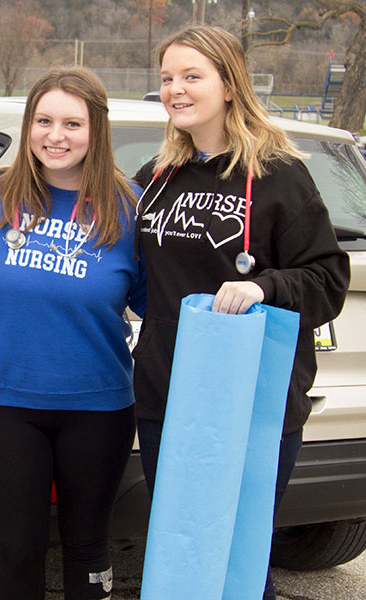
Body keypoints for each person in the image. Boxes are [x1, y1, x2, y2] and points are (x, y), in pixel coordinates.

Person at [131, 26, 350, 600]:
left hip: (247, 402)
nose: (175, 89)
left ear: (230, 85)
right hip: (166, 394)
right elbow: (92, 206)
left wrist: (264, 287)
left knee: (237, 557)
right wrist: (9, 178)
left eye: (192, 76)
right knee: (183, 552)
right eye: (167, 78)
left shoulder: (278, 174)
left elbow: (328, 280)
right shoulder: (159, 177)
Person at [0, 67, 146, 600]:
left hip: (99, 407)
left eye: (72, 122)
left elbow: (164, 302)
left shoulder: (130, 208)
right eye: (43, 120)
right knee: (18, 548)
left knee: (88, 547)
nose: (55, 135)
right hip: (4, 404)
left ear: (97, 130)